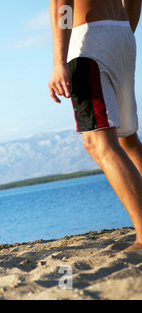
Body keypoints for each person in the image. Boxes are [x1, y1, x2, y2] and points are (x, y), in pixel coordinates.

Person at [48, 0, 142, 251]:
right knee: (128, 140)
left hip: (88, 41)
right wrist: (121, 34)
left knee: (98, 142)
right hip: (121, 33)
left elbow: (63, 4)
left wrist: (59, 62)